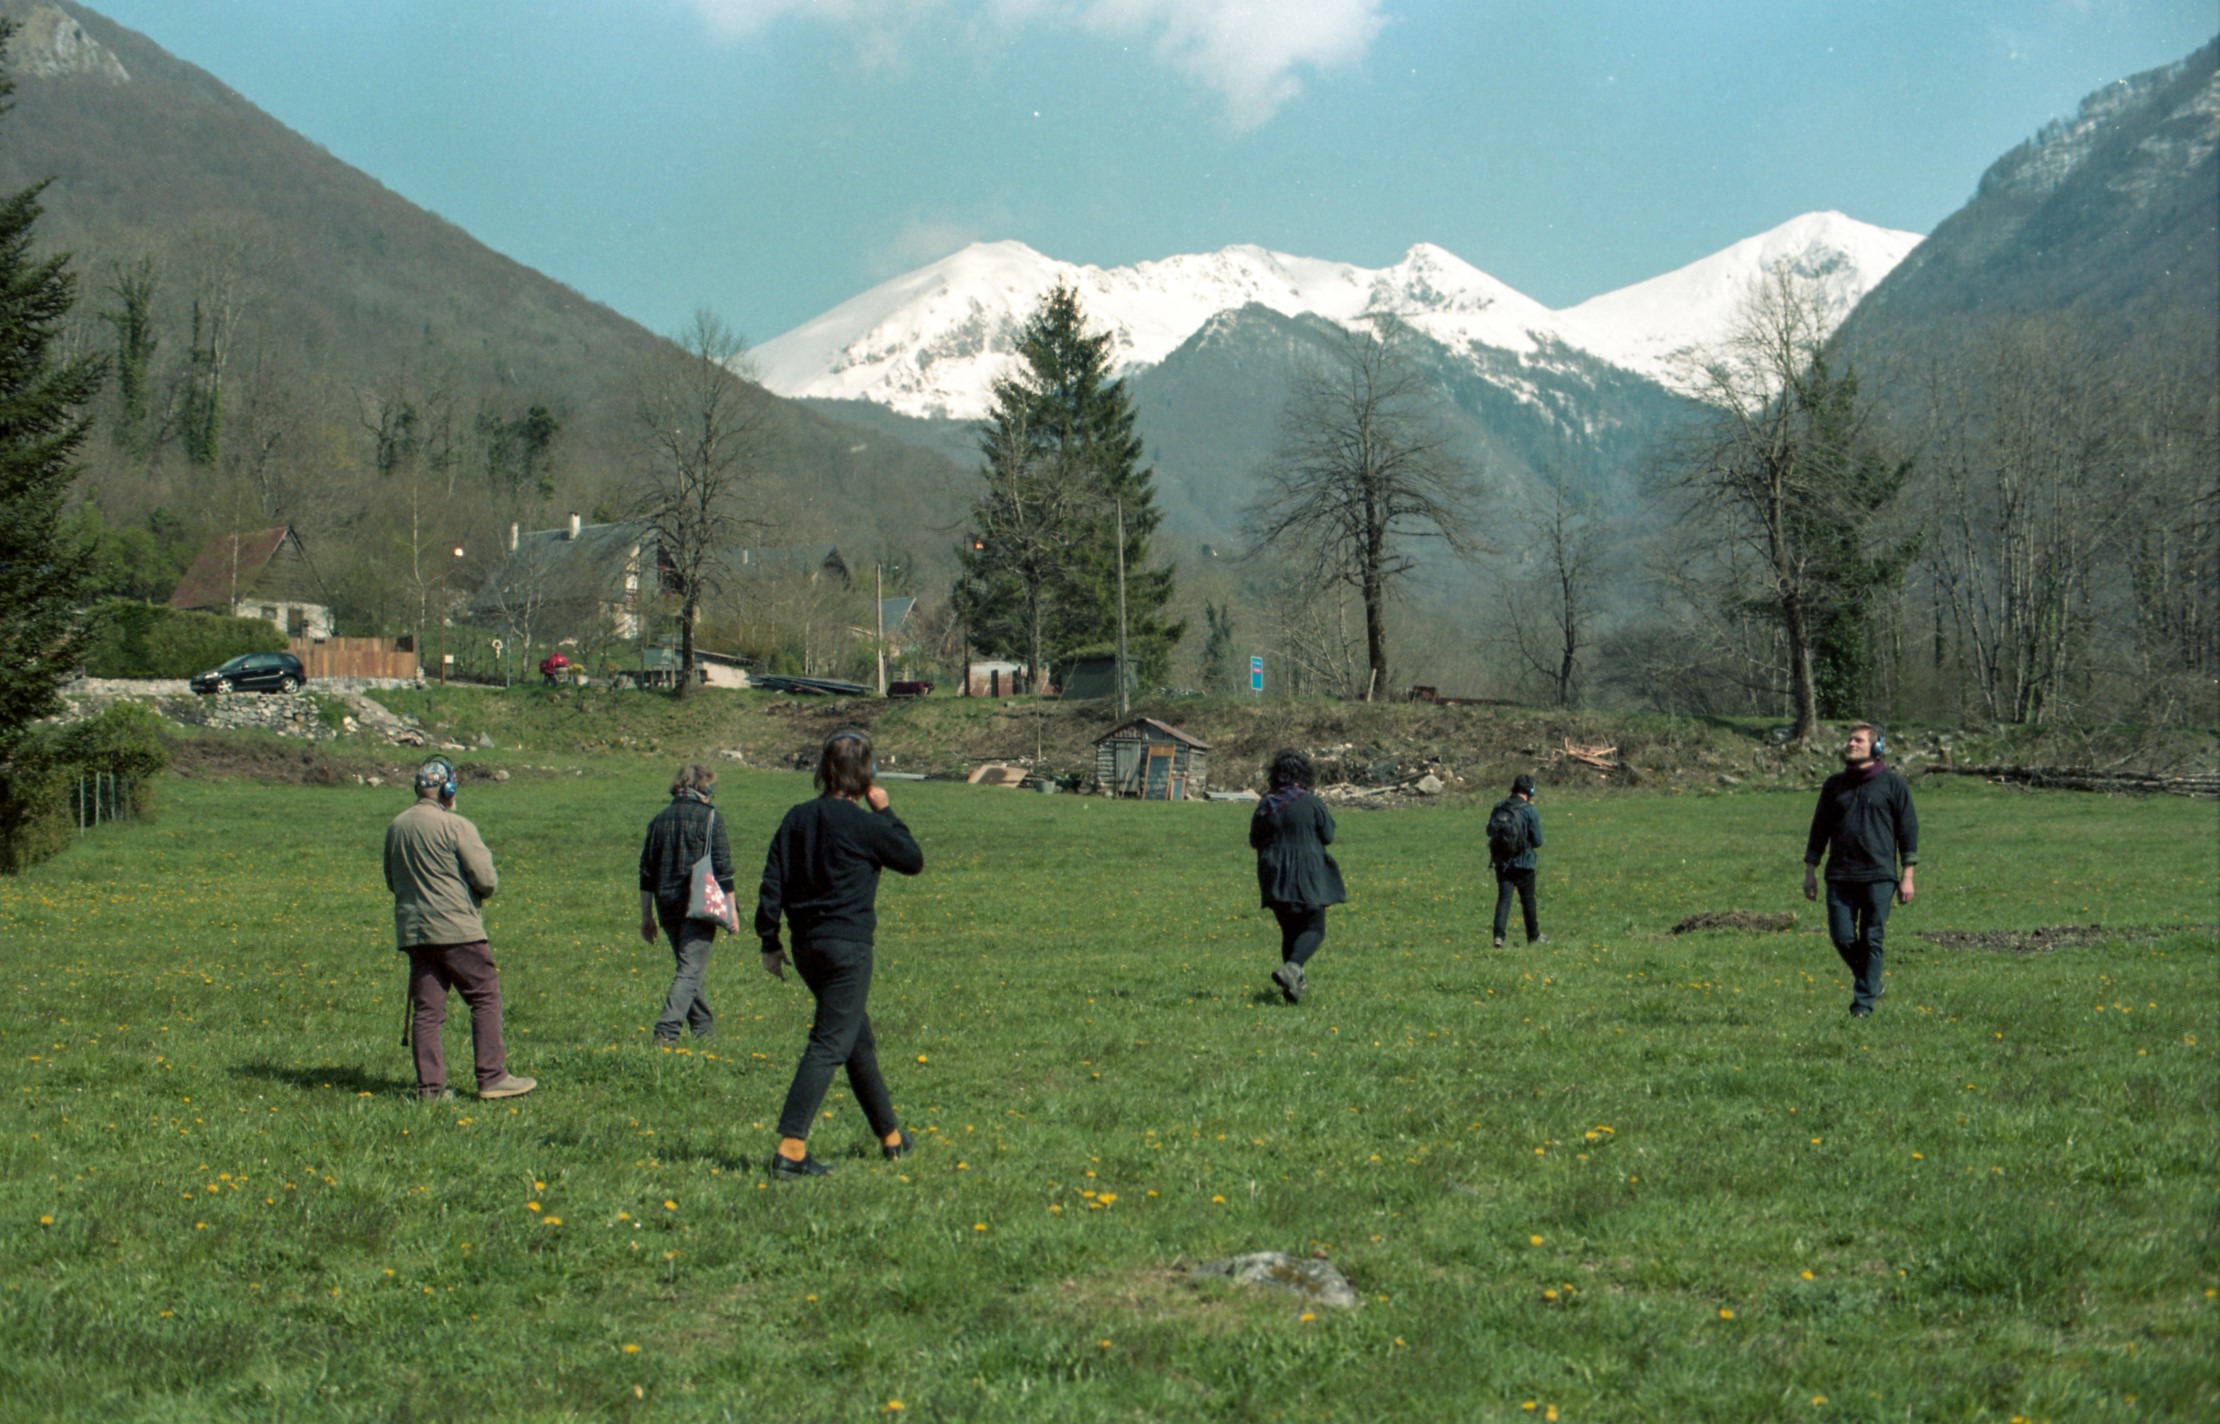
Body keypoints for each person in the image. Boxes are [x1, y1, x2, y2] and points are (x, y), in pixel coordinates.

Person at [756, 727, 924, 1179]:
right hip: (847, 949)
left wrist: (769, 941)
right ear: (866, 775)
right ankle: (791, 1148)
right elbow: (912, 859)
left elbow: (772, 881)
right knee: (830, 1042)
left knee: (857, 1040)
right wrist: (886, 812)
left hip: (806, 947)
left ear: (823, 771)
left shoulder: (796, 819)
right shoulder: (868, 825)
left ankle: (891, 1136)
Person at [383, 758, 536, 1102]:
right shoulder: (457, 826)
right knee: (484, 997)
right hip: (458, 930)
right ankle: (493, 1077)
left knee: (427, 1011)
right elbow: (487, 880)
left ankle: (431, 1091)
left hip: (416, 933)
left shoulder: (396, 826)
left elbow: (392, 881)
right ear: (449, 789)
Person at [1805, 721, 1919, 1018]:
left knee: (1872, 939)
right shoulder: (1834, 786)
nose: (1851, 744)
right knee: (1842, 937)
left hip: (1879, 877)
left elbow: (1908, 831)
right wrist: (1810, 870)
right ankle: (1871, 980)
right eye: (1850, 740)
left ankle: (1863, 1005)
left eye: (1858, 741)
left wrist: (1908, 876)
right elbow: (1819, 829)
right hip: (1840, 876)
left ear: (1877, 747)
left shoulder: (1894, 785)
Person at [637, 763, 736, 1045]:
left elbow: (646, 873)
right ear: (704, 787)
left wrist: (647, 916)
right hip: (699, 903)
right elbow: (724, 868)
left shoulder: (658, 820)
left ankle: (705, 1032)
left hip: (665, 903)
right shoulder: (711, 818)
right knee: (690, 970)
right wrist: (731, 910)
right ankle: (666, 1032)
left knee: (690, 968)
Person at [1250, 749, 1347, 1004]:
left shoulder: (1267, 804)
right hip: (1307, 873)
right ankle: (1293, 969)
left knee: (1290, 931)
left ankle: (1292, 987)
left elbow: (1254, 840)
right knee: (1315, 927)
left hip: (1274, 874)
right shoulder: (1311, 802)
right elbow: (1328, 836)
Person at [1488, 774, 1546, 948]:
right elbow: (1538, 841)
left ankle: (1498, 937)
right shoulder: (1529, 810)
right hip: (1524, 863)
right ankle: (1533, 936)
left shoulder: (1499, 806)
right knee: (1527, 900)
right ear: (1530, 791)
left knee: (1504, 899)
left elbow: (1489, 831)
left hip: (1502, 862)